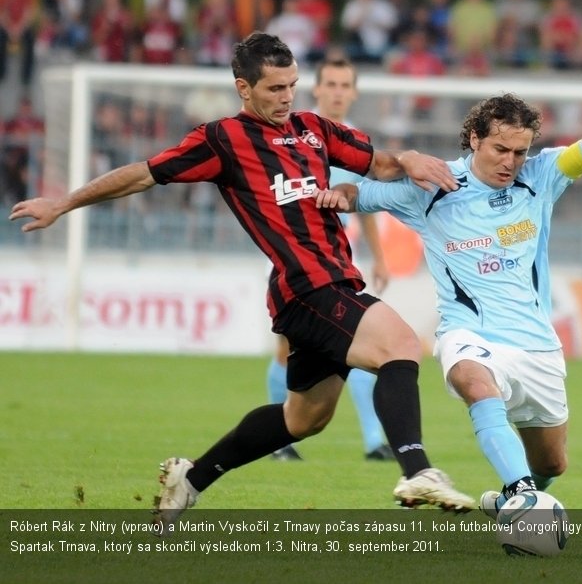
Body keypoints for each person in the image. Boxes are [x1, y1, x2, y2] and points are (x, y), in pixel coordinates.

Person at [8, 32, 475, 526]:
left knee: (305, 419)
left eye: (292, 85)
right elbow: (144, 173)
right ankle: (418, 471)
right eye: (275, 89)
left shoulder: (316, 128)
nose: (287, 96)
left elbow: (378, 163)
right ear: (243, 88)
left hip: (329, 284)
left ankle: (190, 480)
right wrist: (63, 203)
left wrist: (407, 160)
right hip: (309, 287)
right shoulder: (221, 140)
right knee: (399, 344)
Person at [316, 89, 582, 516]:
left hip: (537, 345)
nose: (511, 161)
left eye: (519, 151)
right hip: (470, 333)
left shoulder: (541, 175)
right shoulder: (434, 186)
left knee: (552, 463)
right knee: (474, 382)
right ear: (475, 139)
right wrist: (338, 197)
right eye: (501, 149)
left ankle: (508, 498)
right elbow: (358, 194)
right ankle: (523, 496)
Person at [269, 56, 393, 463]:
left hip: (339, 262)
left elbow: (367, 202)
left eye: (345, 85)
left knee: (357, 346)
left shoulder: (355, 141)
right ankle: (281, 440)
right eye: (331, 84)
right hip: (296, 258)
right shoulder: (293, 135)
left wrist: (379, 257)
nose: (338, 91)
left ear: (354, 92)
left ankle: (375, 439)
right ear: (317, 89)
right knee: (286, 350)